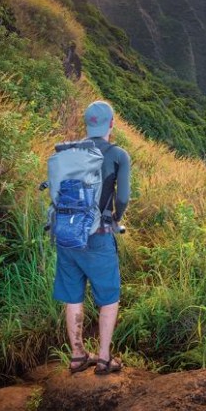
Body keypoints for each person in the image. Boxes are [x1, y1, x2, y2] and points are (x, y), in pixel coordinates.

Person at [52, 100, 131, 375]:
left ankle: (77, 355)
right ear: (111, 124)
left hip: (67, 235)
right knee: (108, 297)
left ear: (87, 123)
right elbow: (122, 197)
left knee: (73, 297)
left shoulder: (68, 150)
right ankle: (104, 357)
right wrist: (115, 218)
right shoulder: (118, 154)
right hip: (98, 236)